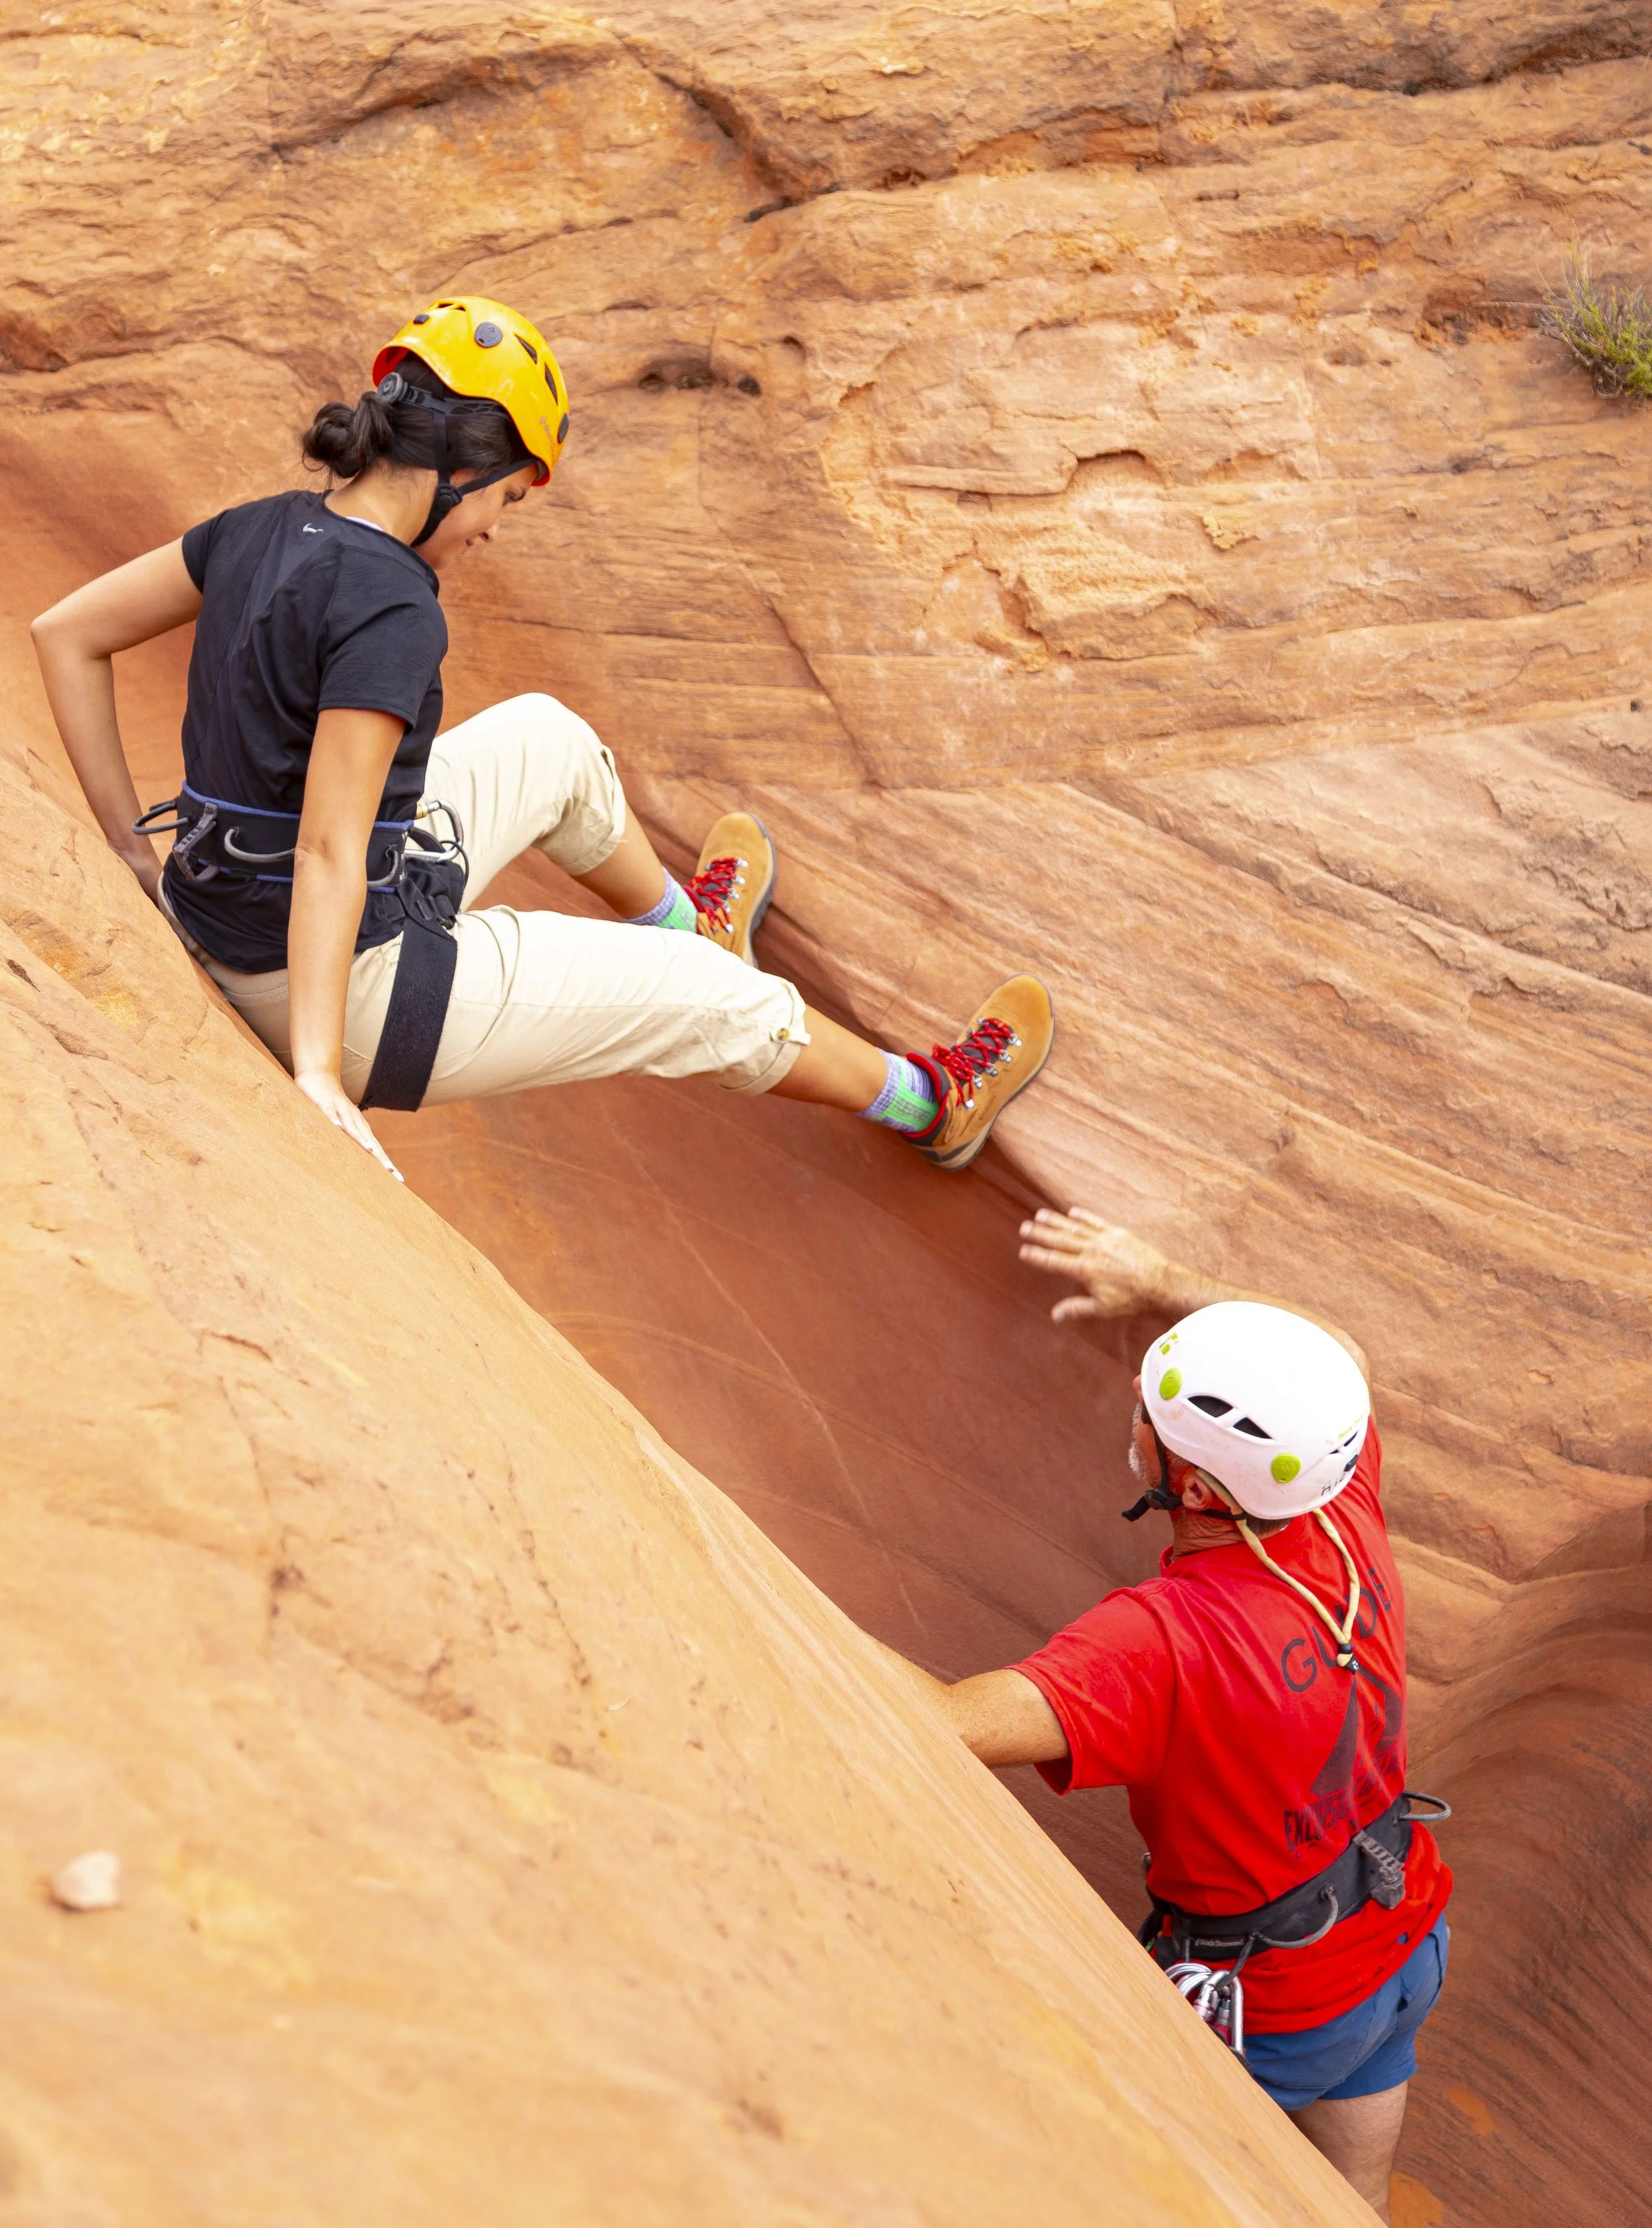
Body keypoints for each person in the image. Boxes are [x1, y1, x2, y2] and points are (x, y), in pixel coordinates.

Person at [30, 293, 1052, 1177]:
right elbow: (331, 847)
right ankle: (933, 1103)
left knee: (549, 739)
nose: (495, 529)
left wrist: (137, 849)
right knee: (708, 1004)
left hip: (250, 915)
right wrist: (314, 1069)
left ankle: (689, 926)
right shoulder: (391, 607)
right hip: (349, 988)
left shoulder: (256, 524)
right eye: (509, 498)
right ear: (462, 472)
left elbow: (67, 633)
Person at [883, 1208, 1451, 2224]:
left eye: (1146, 1405)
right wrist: (1158, 1277)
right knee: (1350, 2200)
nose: (1134, 1409)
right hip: (1402, 1937)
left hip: (1274, 2009)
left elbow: (947, 1725)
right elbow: (1341, 1359)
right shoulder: (1341, 1496)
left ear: (1185, 1480)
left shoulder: (1163, 1641)